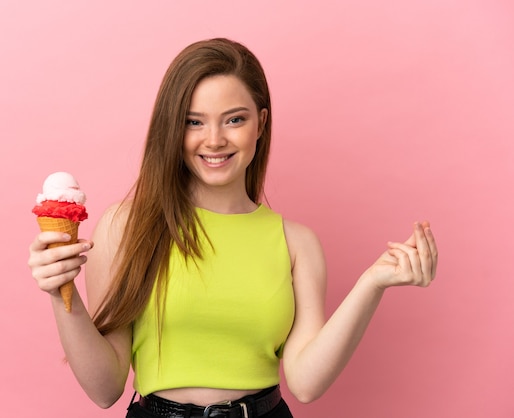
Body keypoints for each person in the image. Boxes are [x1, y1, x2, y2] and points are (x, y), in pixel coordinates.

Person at [28, 38, 438, 418]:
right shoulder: (127, 225)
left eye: (234, 119)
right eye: (193, 122)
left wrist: (372, 283)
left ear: (260, 123)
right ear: (172, 128)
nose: (214, 140)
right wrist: (60, 294)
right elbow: (105, 388)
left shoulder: (297, 243)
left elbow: (307, 383)